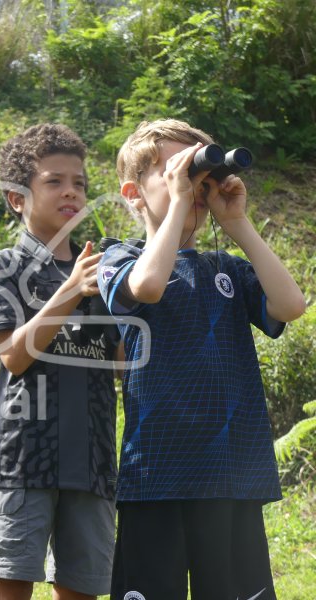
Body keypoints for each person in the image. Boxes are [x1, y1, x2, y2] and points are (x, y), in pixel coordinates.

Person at [98, 118, 307, 600]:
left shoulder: (228, 268)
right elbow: (147, 287)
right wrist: (176, 203)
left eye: (201, 178)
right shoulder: (119, 258)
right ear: (133, 194)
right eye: (176, 173)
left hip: (231, 473)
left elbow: (291, 306)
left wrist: (237, 224)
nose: (193, 189)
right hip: (155, 474)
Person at [0, 123, 122, 600]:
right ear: (16, 198)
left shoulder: (106, 273)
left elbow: (121, 365)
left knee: (82, 590)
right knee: (10, 585)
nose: (71, 192)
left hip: (95, 460)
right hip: (24, 461)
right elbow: (14, 356)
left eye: (79, 183)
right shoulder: (4, 267)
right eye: (54, 181)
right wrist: (69, 289)